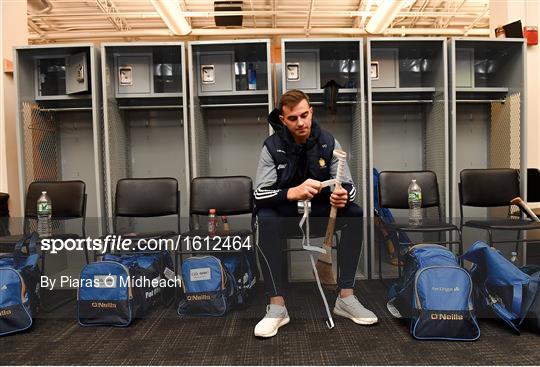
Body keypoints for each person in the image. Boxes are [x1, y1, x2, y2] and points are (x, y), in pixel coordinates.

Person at [253, 89, 377, 338]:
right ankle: (277, 307)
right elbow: (259, 194)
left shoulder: (330, 143)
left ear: (311, 112)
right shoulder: (271, 147)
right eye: (293, 118)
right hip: (286, 218)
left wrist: (342, 195)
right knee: (264, 217)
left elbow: (351, 188)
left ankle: (346, 297)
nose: (300, 123)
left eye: (304, 115)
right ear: (282, 119)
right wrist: (293, 192)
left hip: (321, 215)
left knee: (355, 213)